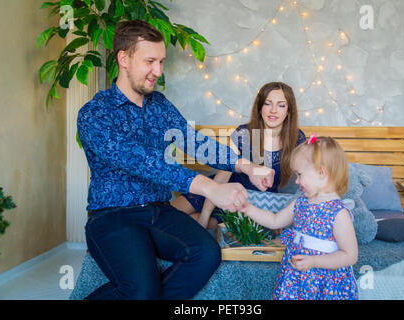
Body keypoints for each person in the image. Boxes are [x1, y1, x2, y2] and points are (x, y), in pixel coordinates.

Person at [77, 20, 275, 300]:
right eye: (149, 61)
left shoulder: (159, 105)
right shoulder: (94, 113)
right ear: (124, 58)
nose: (157, 71)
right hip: (112, 216)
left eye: (161, 61)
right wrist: (210, 188)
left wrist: (248, 167)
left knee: (207, 254)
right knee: (142, 290)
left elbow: (196, 142)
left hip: (159, 211)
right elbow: (143, 161)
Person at [172, 82, 306, 228]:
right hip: (223, 188)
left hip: (249, 203)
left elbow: (307, 175)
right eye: (268, 104)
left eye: (281, 105)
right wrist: (204, 216)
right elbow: (223, 176)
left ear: (289, 111)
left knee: (189, 224)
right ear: (260, 107)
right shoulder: (244, 134)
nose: (273, 110)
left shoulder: (297, 138)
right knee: (170, 213)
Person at [240, 136, 359, 300]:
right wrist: (248, 209)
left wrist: (314, 261)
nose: (296, 181)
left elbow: (350, 255)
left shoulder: (338, 213)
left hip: (325, 283)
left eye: (299, 174)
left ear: (321, 173)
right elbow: (275, 221)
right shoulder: (300, 202)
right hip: (296, 279)